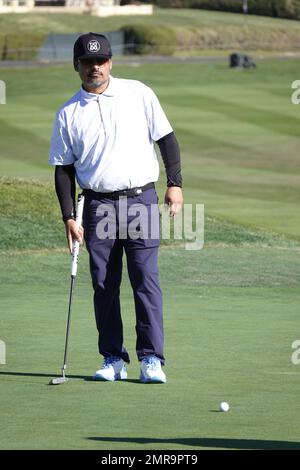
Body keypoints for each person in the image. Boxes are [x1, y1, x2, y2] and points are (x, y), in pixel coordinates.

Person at [49, 32, 183, 383]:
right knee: (104, 284)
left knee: (145, 279)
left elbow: (166, 139)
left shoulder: (138, 92)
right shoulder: (67, 114)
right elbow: (63, 171)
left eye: (102, 60)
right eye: (88, 62)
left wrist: (175, 184)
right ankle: (113, 359)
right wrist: (68, 217)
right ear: (76, 65)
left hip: (141, 199)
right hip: (98, 205)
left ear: (110, 61)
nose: (96, 67)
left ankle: (151, 359)